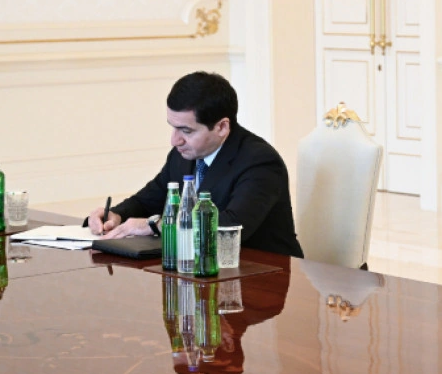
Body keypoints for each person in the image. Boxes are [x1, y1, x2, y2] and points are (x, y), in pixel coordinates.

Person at [86, 71, 303, 258]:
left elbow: (230, 228)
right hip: (201, 270)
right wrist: (116, 215)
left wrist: (156, 225)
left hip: (261, 273)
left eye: (186, 131)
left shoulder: (260, 162)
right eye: (173, 127)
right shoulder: (183, 154)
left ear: (222, 127)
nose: (175, 140)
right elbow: (149, 198)